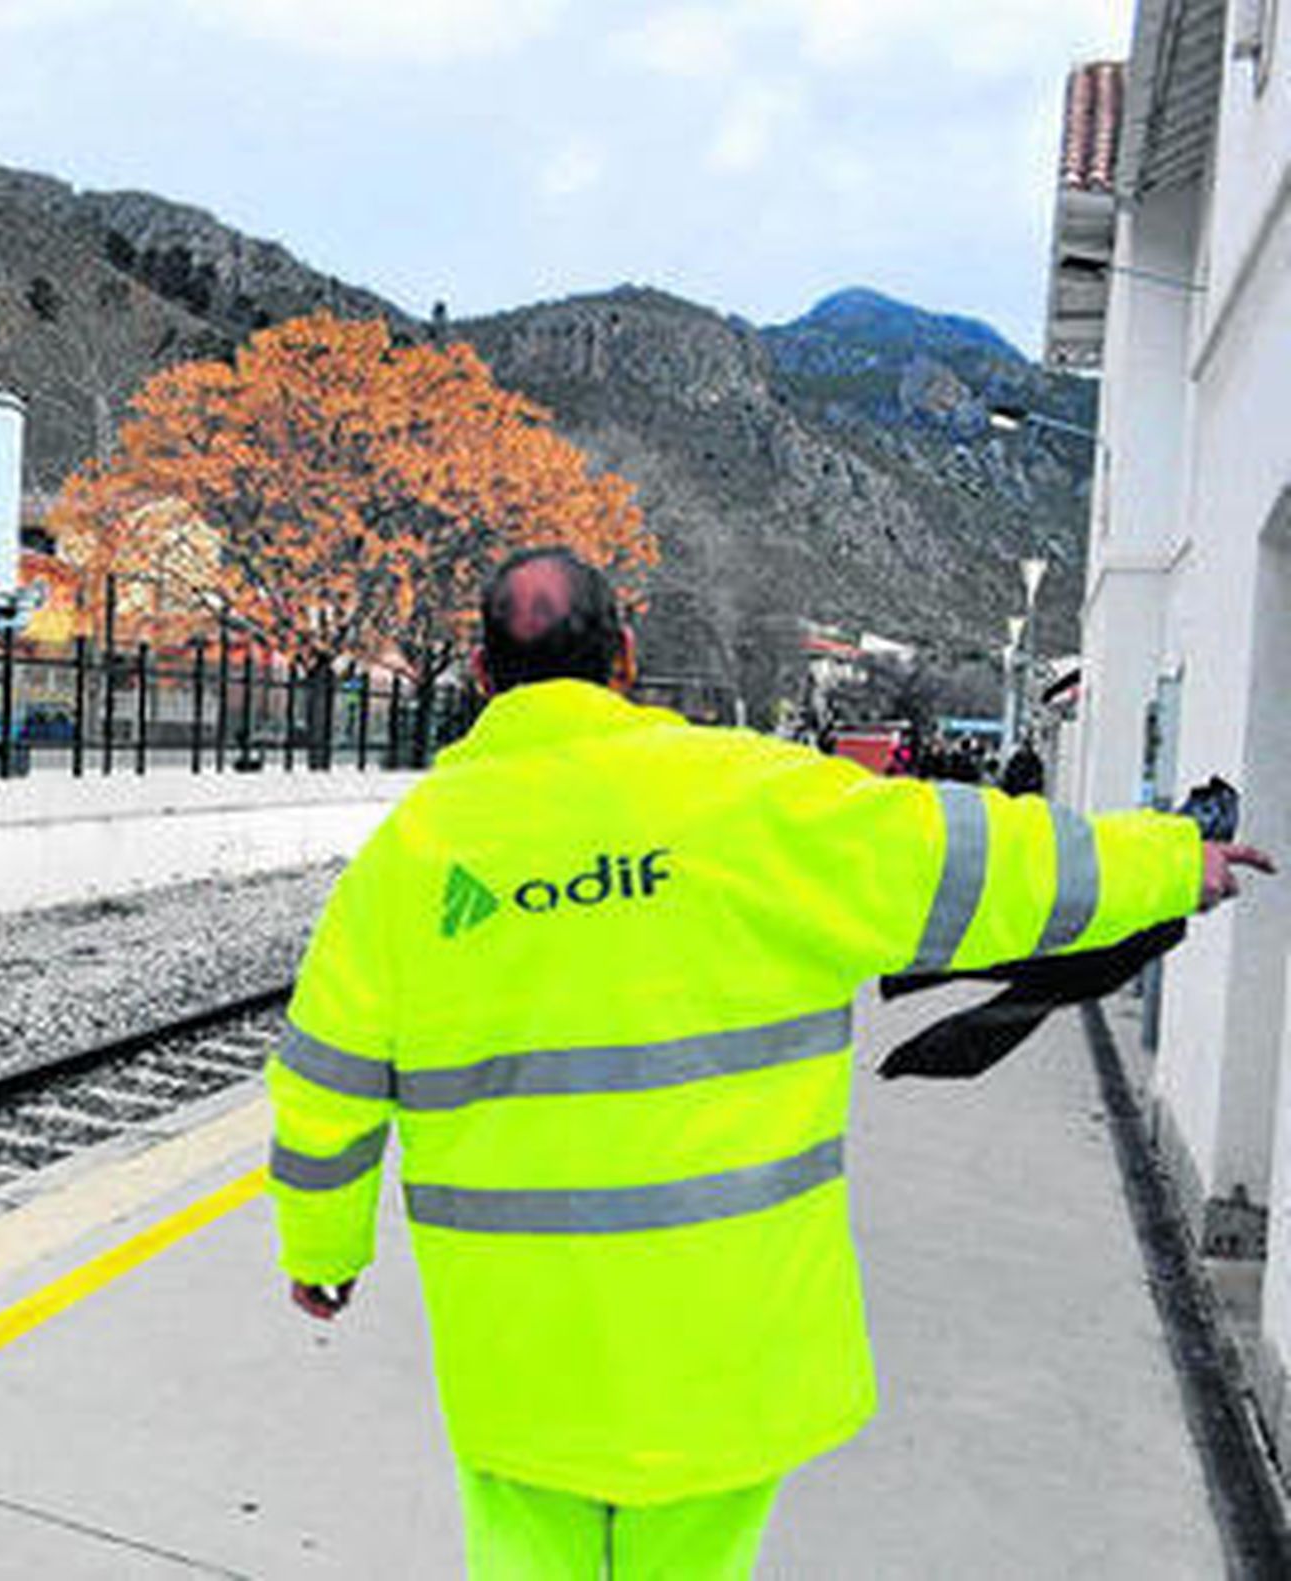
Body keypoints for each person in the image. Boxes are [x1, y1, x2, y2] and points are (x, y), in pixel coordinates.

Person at [266, 547, 1273, 1578]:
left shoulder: (408, 859)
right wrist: (1164, 864)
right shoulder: (749, 801)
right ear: (624, 659)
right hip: (723, 1343)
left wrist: (323, 1250)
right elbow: (968, 855)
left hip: (519, 1344)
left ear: (481, 679)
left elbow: (322, 1085)